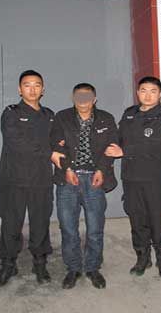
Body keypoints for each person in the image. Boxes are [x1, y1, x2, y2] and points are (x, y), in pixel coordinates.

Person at [0, 70, 64, 286]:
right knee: (10, 223)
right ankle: (8, 264)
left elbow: (57, 141)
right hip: (14, 179)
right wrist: (49, 152)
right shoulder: (11, 113)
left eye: (37, 85)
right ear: (19, 89)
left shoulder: (49, 115)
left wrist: (60, 146)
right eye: (27, 85)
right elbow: (16, 142)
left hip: (41, 180)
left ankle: (40, 263)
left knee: (40, 222)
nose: (32, 90)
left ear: (43, 89)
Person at [105, 76, 161, 277]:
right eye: (143, 90)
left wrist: (124, 151)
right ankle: (142, 258)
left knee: (158, 219)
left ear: (160, 94)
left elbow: (154, 142)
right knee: (136, 219)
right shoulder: (129, 114)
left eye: (153, 91)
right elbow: (118, 138)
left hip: (154, 179)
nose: (148, 95)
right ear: (137, 93)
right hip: (131, 177)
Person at [50, 83, 118, 289]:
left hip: (94, 178)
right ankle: (73, 268)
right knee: (68, 227)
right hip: (68, 179)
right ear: (73, 98)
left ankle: (93, 268)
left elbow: (111, 147)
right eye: (79, 96)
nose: (83, 101)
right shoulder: (62, 117)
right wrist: (67, 168)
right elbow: (55, 144)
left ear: (94, 99)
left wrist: (101, 170)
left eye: (87, 97)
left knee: (95, 228)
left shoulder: (106, 118)